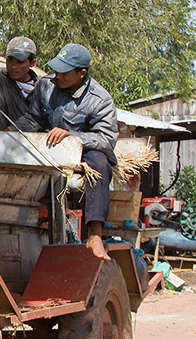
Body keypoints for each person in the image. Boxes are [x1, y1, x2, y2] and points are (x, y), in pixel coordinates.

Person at [14, 44, 118, 260]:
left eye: (64, 72)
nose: (57, 75)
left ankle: (95, 235)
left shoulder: (100, 100)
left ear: (82, 73)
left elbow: (106, 140)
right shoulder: (45, 86)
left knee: (99, 163)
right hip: (49, 149)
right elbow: (35, 118)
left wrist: (72, 135)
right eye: (57, 69)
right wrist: (12, 129)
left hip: (84, 152)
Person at [0, 36, 39, 130]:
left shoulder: (43, 86)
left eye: (20, 61)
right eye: (10, 60)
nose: (14, 66)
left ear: (32, 63)